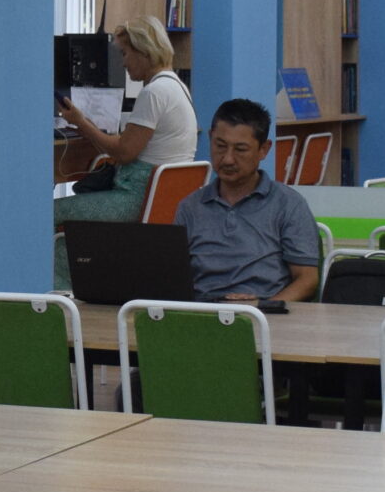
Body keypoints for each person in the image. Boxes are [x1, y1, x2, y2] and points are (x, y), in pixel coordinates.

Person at [174, 98, 322, 302]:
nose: (227, 159)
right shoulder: (190, 207)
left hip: (265, 312)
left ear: (264, 149)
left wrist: (264, 307)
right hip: (204, 311)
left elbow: (307, 280)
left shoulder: (288, 205)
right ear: (210, 138)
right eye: (220, 146)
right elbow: (174, 278)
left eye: (240, 150)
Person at [54, 15, 196, 220]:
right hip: (162, 199)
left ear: (144, 51)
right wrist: (87, 125)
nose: (123, 63)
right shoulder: (177, 86)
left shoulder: (154, 92)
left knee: (50, 212)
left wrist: (81, 123)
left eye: (124, 54)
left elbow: (124, 153)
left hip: (136, 199)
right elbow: (131, 144)